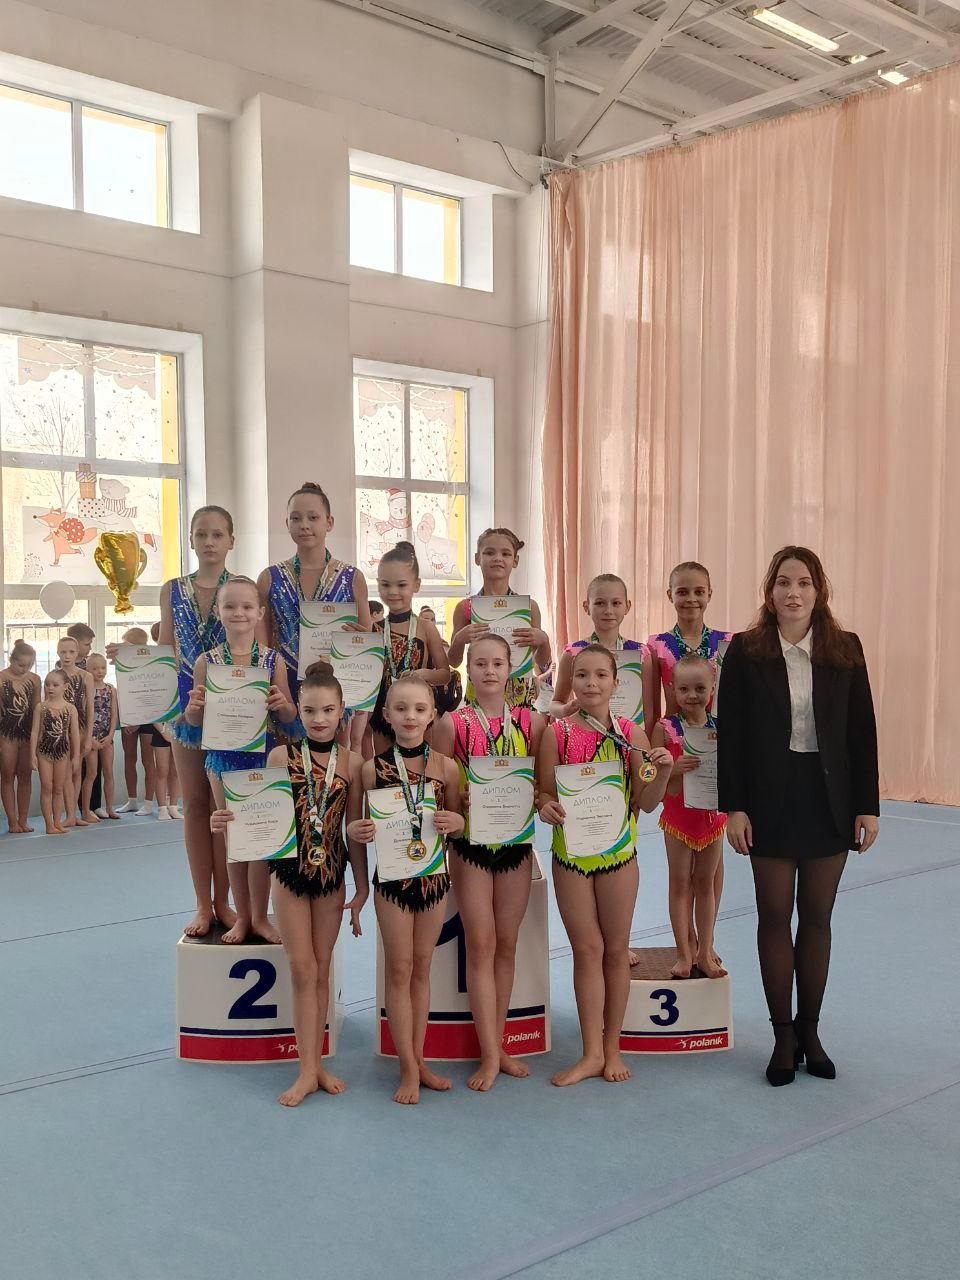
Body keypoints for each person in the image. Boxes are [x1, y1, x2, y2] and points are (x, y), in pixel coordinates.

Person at [718, 546, 879, 1086]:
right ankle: (782, 1036)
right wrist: (734, 807)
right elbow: (732, 737)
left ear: (818, 591)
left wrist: (867, 805)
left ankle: (811, 1032)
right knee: (772, 916)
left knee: (816, 918)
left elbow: (862, 732)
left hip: (828, 798)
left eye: (804, 583)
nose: (794, 592)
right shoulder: (745, 652)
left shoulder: (845, 648)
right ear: (770, 593)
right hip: (768, 799)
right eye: (783, 582)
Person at [212, 661, 369, 1107]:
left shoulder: (354, 764)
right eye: (310, 710)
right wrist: (227, 820)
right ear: (298, 709)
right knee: (302, 969)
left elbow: (353, 832)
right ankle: (306, 1070)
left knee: (322, 966)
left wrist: (361, 888)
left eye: (328, 710)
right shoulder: (281, 758)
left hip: (332, 875)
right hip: (289, 875)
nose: (319, 719)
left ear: (342, 710)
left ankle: (318, 1064)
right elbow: (260, 819)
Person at [537, 645, 673, 1086]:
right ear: (571, 681)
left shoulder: (632, 735)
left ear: (616, 683)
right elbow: (543, 792)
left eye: (600, 675)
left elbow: (646, 803)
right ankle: (591, 1052)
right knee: (586, 951)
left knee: (616, 951)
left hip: (617, 857)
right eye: (582, 675)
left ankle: (612, 1047)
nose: (591, 683)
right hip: (571, 858)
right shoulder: (556, 733)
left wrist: (662, 772)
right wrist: (546, 807)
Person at [433, 634, 546, 1091]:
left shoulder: (532, 722)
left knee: (507, 944)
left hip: (515, 843)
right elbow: (439, 788)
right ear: (468, 669)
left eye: (498, 663)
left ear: (510, 667)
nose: (490, 671)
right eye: (480, 663)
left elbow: (543, 783)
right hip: (471, 847)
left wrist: (537, 796)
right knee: (481, 944)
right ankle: (488, 1055)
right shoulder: (451, 724)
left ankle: (499, 1047)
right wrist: (457, 803)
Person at [348, 674, 464, 1104]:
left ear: (433, 715)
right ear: (386, 715)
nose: (410, 716)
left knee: (421, 969)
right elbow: (354, 830)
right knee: (399, 970)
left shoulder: (446, 768)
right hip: (391, 883)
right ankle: (407, 1068)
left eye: (419, 709)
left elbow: (460, 827)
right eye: (400, 709)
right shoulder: (369, 770)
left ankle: (419, 1060)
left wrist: (458, 823)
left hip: (433, 880)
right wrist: (357, 841)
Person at [185, 576, 298, 946]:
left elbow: (289, 717)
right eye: (230, 606)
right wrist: (194, 707)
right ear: (219, 612)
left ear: (260, 613)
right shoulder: (206, 662)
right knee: (234, 838)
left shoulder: (272, 660)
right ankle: (242, 915)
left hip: (263, 757)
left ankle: (260, 917)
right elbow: (195, 722)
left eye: (247, 607)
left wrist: (282, 705)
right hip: (223, 760)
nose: (239, 613)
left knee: (261, 840)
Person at [643, 561, 731, 965]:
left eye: (699, 591)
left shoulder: (727, 643)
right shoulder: (656, 646)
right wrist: (651, 761)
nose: (691, 599)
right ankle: (687, 946)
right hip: (675, 749)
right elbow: (651, 709)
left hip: (713, 753)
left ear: (710, 593)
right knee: (682, 877)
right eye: (682, 591)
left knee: (709, 876)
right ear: (670, 595)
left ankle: (705, 946)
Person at [158, 506, 235, 937]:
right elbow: (165, 648)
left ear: (230, 541)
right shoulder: (172, 589)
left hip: (232, 713)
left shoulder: (239, 588)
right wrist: (134, 667)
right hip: (185, 710)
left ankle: (224, 901)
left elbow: (256, 649)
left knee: (224, 809)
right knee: (194, 805)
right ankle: (202, 904)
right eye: (201, 534)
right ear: (190, 539)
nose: (209, 541)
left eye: (217, 534)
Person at [257, 481, 370, 718]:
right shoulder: (269, 578)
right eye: (296, 518)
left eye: (313, 517)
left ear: (329, 522)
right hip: (284, 688)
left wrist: (359, 642)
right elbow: (261, 647)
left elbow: (366, 642)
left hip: (335, 686)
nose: (304, 525)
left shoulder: (352, 578)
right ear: (287, 523)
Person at [651, 654, 726, 979]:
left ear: (712, 688)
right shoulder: (664, 728)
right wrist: (673, 770)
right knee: (680, 883)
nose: (692, 695)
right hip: (678, 819)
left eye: (699, 688)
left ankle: (705, 951)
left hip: (712, 819)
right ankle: (684, 953)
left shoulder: (722, 727)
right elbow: (653, 782)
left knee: (705, 884)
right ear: (672, 688)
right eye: (684, 689)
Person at [446, 528, 552, 709]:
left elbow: (541, 662)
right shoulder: (465, 608)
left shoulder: (529, 607)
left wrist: (544, 641)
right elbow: (453, 661)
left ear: (515, 560)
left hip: (519, 694)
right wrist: (459, 640)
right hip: (480, 693)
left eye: (505, 554)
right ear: (477, 558)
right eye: (489, 552)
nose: (497, 558)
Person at [369, 542, 449, 755]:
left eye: (401, 585)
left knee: (420, 766)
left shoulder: (426, 628)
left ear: (416, 585)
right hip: (384, 712)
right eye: (386, 585)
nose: (393, 592)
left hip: (418, 711)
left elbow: (445, 674)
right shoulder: (373, 629)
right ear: (378, 585)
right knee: (385, 768)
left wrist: (424, 674)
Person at [550, 573, 651, 728]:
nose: (608, 610)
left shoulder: (641, 654)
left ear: (627, 606)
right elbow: (555, 704)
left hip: (628, 738)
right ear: (586, 607)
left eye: (616, 603)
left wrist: (645, 741)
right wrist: (565, 710)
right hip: (584, 734)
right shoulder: (573, 653)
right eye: (600, 603)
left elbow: (649, 711)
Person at [111, 628, 156, 817]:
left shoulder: (152, 664)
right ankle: (131, 800)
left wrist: (138, 720)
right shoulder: (123, 663)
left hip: (147, 717)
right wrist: (127, 718)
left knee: (148, 760)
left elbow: (151, 695)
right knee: (129, 758)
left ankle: (148, 802)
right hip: (128, 715)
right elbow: (123, 691)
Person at [30, 669, 79, 836]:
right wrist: (32, 754)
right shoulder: (41, 707)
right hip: (44, 753)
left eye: (55, 685)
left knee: (58, 789)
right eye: (47, 684)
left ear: (65, 686)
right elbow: (35, 732)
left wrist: (76, 756)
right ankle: (49, 825)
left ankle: (57, 822)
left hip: (62, 754)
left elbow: (75, 734)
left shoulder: (70, 709)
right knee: (47, 787)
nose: (50, 688)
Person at [0, 641, 41, 833]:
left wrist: (37, 736)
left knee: (25, 775)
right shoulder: (1, 678)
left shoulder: (34, 679)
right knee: (7, 775)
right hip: (6, 733)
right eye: (21, 665)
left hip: (26, 733)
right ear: (11, 660)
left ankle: (23, 820)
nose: (25, 669)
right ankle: (12, 822)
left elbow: (37, 709)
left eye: (29, 665)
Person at [56, 636, 95, 826]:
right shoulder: (55, 676)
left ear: (77, 652)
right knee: (65, 772)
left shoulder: (86, 676)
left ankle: (75, 814)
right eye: (63, 652)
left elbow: (90, 708)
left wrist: (88, 737)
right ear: (58, 652)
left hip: (80, 729)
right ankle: (70, 814)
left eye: (71, 652)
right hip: (60, 730)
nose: (67, 656)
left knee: (76, 770)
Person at [148, 622, 180, 821]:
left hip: (179, 726)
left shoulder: (182, 666)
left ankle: (173, 805)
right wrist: (161, 729)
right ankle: (161, 807)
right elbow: (151, 705)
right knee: (162, 770)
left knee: (176, 771)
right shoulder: (156, 670)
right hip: (160, 727)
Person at [82, 654, 120, 821]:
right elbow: (83, 716)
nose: (100, 671)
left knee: (109, 772)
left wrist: (111, 734)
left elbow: (114, 715)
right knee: (91, 773)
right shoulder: (86, 690)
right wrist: (89, 739)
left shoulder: (111, 689)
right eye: (95, 668)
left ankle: (110, 808)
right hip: (91, 738)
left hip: (106, 737)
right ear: (87, 670)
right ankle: (86, 810)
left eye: (103, 668)